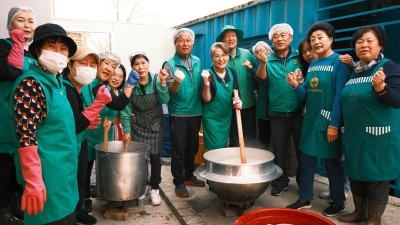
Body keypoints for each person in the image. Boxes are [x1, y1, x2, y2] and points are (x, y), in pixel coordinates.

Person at [10, 23, 78, 225]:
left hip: (65, 179)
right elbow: (26, 136)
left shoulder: (57, 84)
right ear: (39, 50)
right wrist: (33, 181)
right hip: (46, 182)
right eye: (52, 46)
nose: (58, 53)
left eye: (63, 49)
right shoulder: (31, 84)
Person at [285, 22, 350, 217]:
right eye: (312, 39)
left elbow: (340, 96)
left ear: (331, 39)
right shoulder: (312, 65)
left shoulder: (340, 62)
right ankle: (305, 198)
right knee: (306, 160)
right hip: (310, 121)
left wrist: (334, 124)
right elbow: (306, 96)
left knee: (332, 163)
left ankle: (338, 201)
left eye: (320, 37)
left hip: (328, 121)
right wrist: (296, 85)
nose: (316, 42)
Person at [339, 25, 400, 225]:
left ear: (380, 44)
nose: (364, 45)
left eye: (369, 41)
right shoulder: (354, 70)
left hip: (379, 138)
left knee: (376, 180)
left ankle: (373, 220)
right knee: (356, 175)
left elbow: (397, 100)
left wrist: (382, 88)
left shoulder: (390, 67)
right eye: (359, 41)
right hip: (355, 135)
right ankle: (359, 213)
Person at [82, 51, 138, 213]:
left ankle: (86, 197)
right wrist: (130, 85)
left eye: (113, 66)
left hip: (98, 135)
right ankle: (82, 203)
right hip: (85, 134)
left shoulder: (103, 86)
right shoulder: (96, 85)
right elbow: (119, 105)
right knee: (82, 172)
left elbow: (121, 111)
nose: (111, 70)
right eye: (106, 63)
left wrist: (114, 122)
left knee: (88, 170)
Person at [62, 46, 112, 225]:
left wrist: (86, 122)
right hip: (67, 145)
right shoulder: (65, 88)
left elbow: (78, 120)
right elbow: (73, 123)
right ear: (71, 64)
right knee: (72, 179)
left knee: (81, 177)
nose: (88, 68)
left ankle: (78, 210)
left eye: (92, 65)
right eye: (83, 63)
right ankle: (71, 215)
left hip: (80, 140)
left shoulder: (79, 88)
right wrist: (98, 104)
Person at [256, 23, 303, 196]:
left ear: (291, 38)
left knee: (301, 150)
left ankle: (302, 183)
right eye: (276, 36)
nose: (280, 39)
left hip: (299, 112)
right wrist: (262, 63)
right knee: (279, 150)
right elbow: (261, 81)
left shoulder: (300, 57)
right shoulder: (268, 59)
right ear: (272, 41)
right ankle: (282, 181)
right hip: (276, 112)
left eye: (283, 35)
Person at [0, 6, 36, 224]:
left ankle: (16, 206)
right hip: (5, 121)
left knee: (18, 172)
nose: (26, 25)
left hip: (25, 122)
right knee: (3, 171)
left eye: (30, 21)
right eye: (20, 20)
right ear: (10, 25)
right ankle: (2, 212)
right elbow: (8, 71)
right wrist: (16, 44)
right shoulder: (2, 46)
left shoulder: (33, 54)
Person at [121, 50, 169, 206]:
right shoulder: (130, 84)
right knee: (140, 160)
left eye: (143, 63)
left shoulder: (156, 79)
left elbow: (164, 99)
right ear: (132, 67)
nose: (140, 67)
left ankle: (154, 188)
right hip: (138, 126)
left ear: (148, 63)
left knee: (155, 158)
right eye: (136, 64)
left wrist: (163, 83)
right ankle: (141, 187)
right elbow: (126, 110)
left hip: (155, 125)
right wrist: (127, 131)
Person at [162, 28, 205, 198]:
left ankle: (189, 175)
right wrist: (177, 82)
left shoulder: (197, 61)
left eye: (188, 40)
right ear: (175, 43)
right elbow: (168, 93)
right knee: (178, 149)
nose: (185, 43)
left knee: (192, 146)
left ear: (192, 43)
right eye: (181, 40)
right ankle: (179, 181)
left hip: (196, 111)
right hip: (178, 112)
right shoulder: (169, 64)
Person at [216, 25, 258, 147]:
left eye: (233, 35)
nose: (230, 38)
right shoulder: (221, 58)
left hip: (249, 104)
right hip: (230, 107)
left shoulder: (246, 54)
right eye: (227, 36)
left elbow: (256, 75)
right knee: (234, 140)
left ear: (237, 39)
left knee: (250, 139)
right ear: (223, 40)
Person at [201, 42, 241, 150]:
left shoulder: (232, 72)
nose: (221, 59)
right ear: (212, 58)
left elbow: (236, 93)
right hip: (211, 118)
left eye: (224, 55)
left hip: (226, 117)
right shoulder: (208, 74)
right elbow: (206, 99)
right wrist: (206, 83)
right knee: (214, 149)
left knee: (225, 147)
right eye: (217, 56)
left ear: (228, 56)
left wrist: (237, 101)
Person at [252, 41, 273, 149]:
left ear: (268, 50)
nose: (259, 53)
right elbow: (259, 82)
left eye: (261, 50)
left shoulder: (275, 64)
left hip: (276, 109)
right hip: (262, 110)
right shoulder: (257, 68)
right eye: (256, 52)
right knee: (264, 140)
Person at [107, 64, 127, 141]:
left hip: (113, 129)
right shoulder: (99, 89)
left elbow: (120, 115)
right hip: (94, 130)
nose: (117, 79)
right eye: (114, 75)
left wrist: (112, 122)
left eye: (120, 76)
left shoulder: (121, 94)